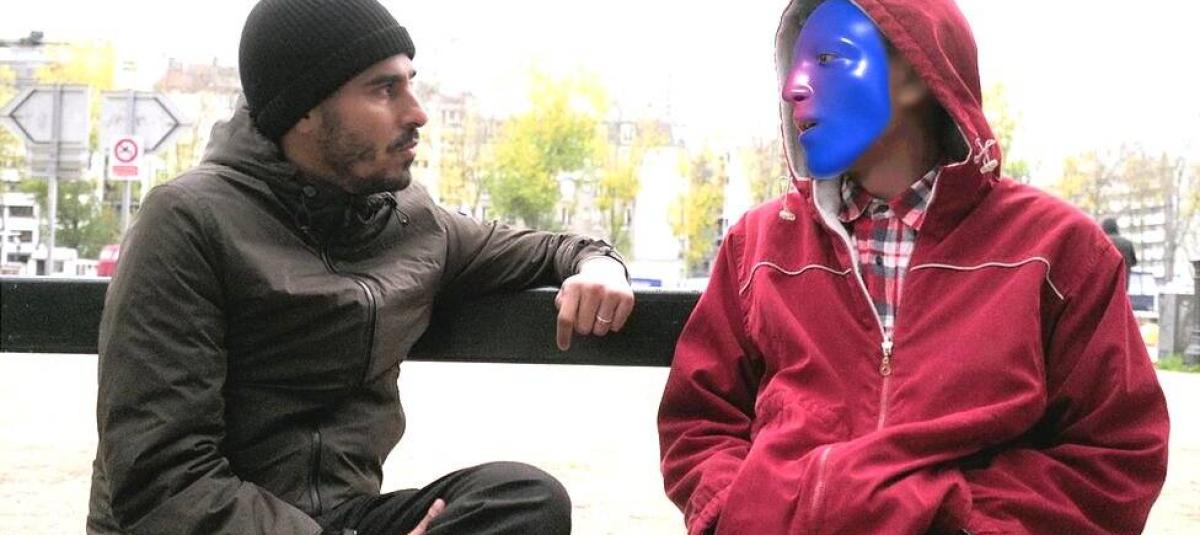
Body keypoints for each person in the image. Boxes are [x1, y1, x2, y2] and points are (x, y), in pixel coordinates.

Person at [87, 0, 635, 533]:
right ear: (303, 108)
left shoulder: (410, 221)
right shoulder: (188, 220)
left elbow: (549, 248)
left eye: (410, 84)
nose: (416, 113)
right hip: (207, 522)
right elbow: (164, 480)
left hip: (343, 517)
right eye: (383, 89)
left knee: (524, 499)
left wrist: (598, 266)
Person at [657, 0, 1169, 533]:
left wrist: (963, 523)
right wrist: (736, 513)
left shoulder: (1059, 251)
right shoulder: (757, 244)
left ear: (919, 70)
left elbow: (1116, 454)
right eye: (795, 65)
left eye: (828, 58)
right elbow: (698, 419)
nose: (793, 88)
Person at [1102, 216, 1139, 284]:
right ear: (1116, 228)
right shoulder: (1127, 243)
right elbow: (1133, 263)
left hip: (1105, 283)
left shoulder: (1100, 243)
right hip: (1123, 283)